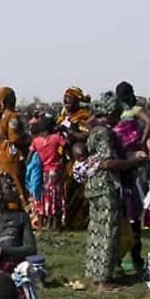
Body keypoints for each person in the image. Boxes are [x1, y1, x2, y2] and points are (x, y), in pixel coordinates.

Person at [80, 95, 149, 292]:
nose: (120, 117)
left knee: (97, 230)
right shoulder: (105, 133)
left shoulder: (94, 131)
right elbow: (107, 163)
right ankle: (103, 280)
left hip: (95, 186)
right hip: (106, 186)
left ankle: (96, 274)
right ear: (110, 113)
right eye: (117, 113)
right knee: (108, 231)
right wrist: (134, 162)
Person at [57, 86, 92, 229]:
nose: (66, 102)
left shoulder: (83, 116)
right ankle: (68, 221)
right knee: (65, 190)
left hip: (76, 159)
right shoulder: (64, 115)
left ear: (77, 101)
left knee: (77, 191)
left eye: (69, 99)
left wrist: (70, 132)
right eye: (65, 99)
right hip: (63, 159)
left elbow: (86, 135)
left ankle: (78, 222)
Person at [31, 118, 65, 230]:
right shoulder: (56, 138)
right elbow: (65, 145)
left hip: (41, 172)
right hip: (54, 171)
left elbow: (30, 155)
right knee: (54, 198)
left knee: (41, 198)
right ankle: (55, 225)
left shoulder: (36, 141)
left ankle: (41, 225)